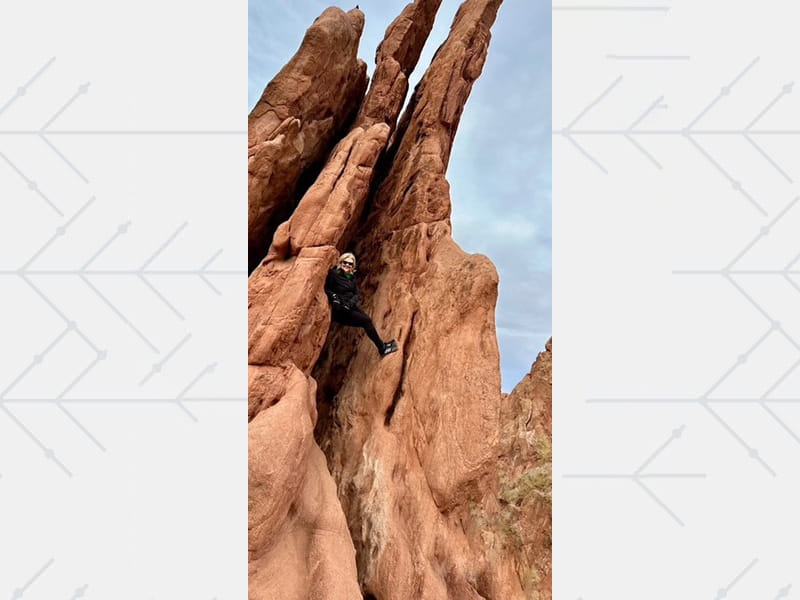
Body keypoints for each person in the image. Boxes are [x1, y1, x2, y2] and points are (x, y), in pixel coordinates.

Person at [325, 252, 398, 357]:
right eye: (345, 262)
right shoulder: (334, 274)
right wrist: (335, 298)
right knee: (366, 321)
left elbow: (357, 294)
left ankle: (383, 346)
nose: (347, 265)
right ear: (340, 262)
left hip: (349, 306)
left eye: (350, 264)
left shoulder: (351, 278)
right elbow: (327, 288)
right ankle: (382, 348)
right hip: (340, 310)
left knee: (367, 321)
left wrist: (350, 303)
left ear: (353, 266)